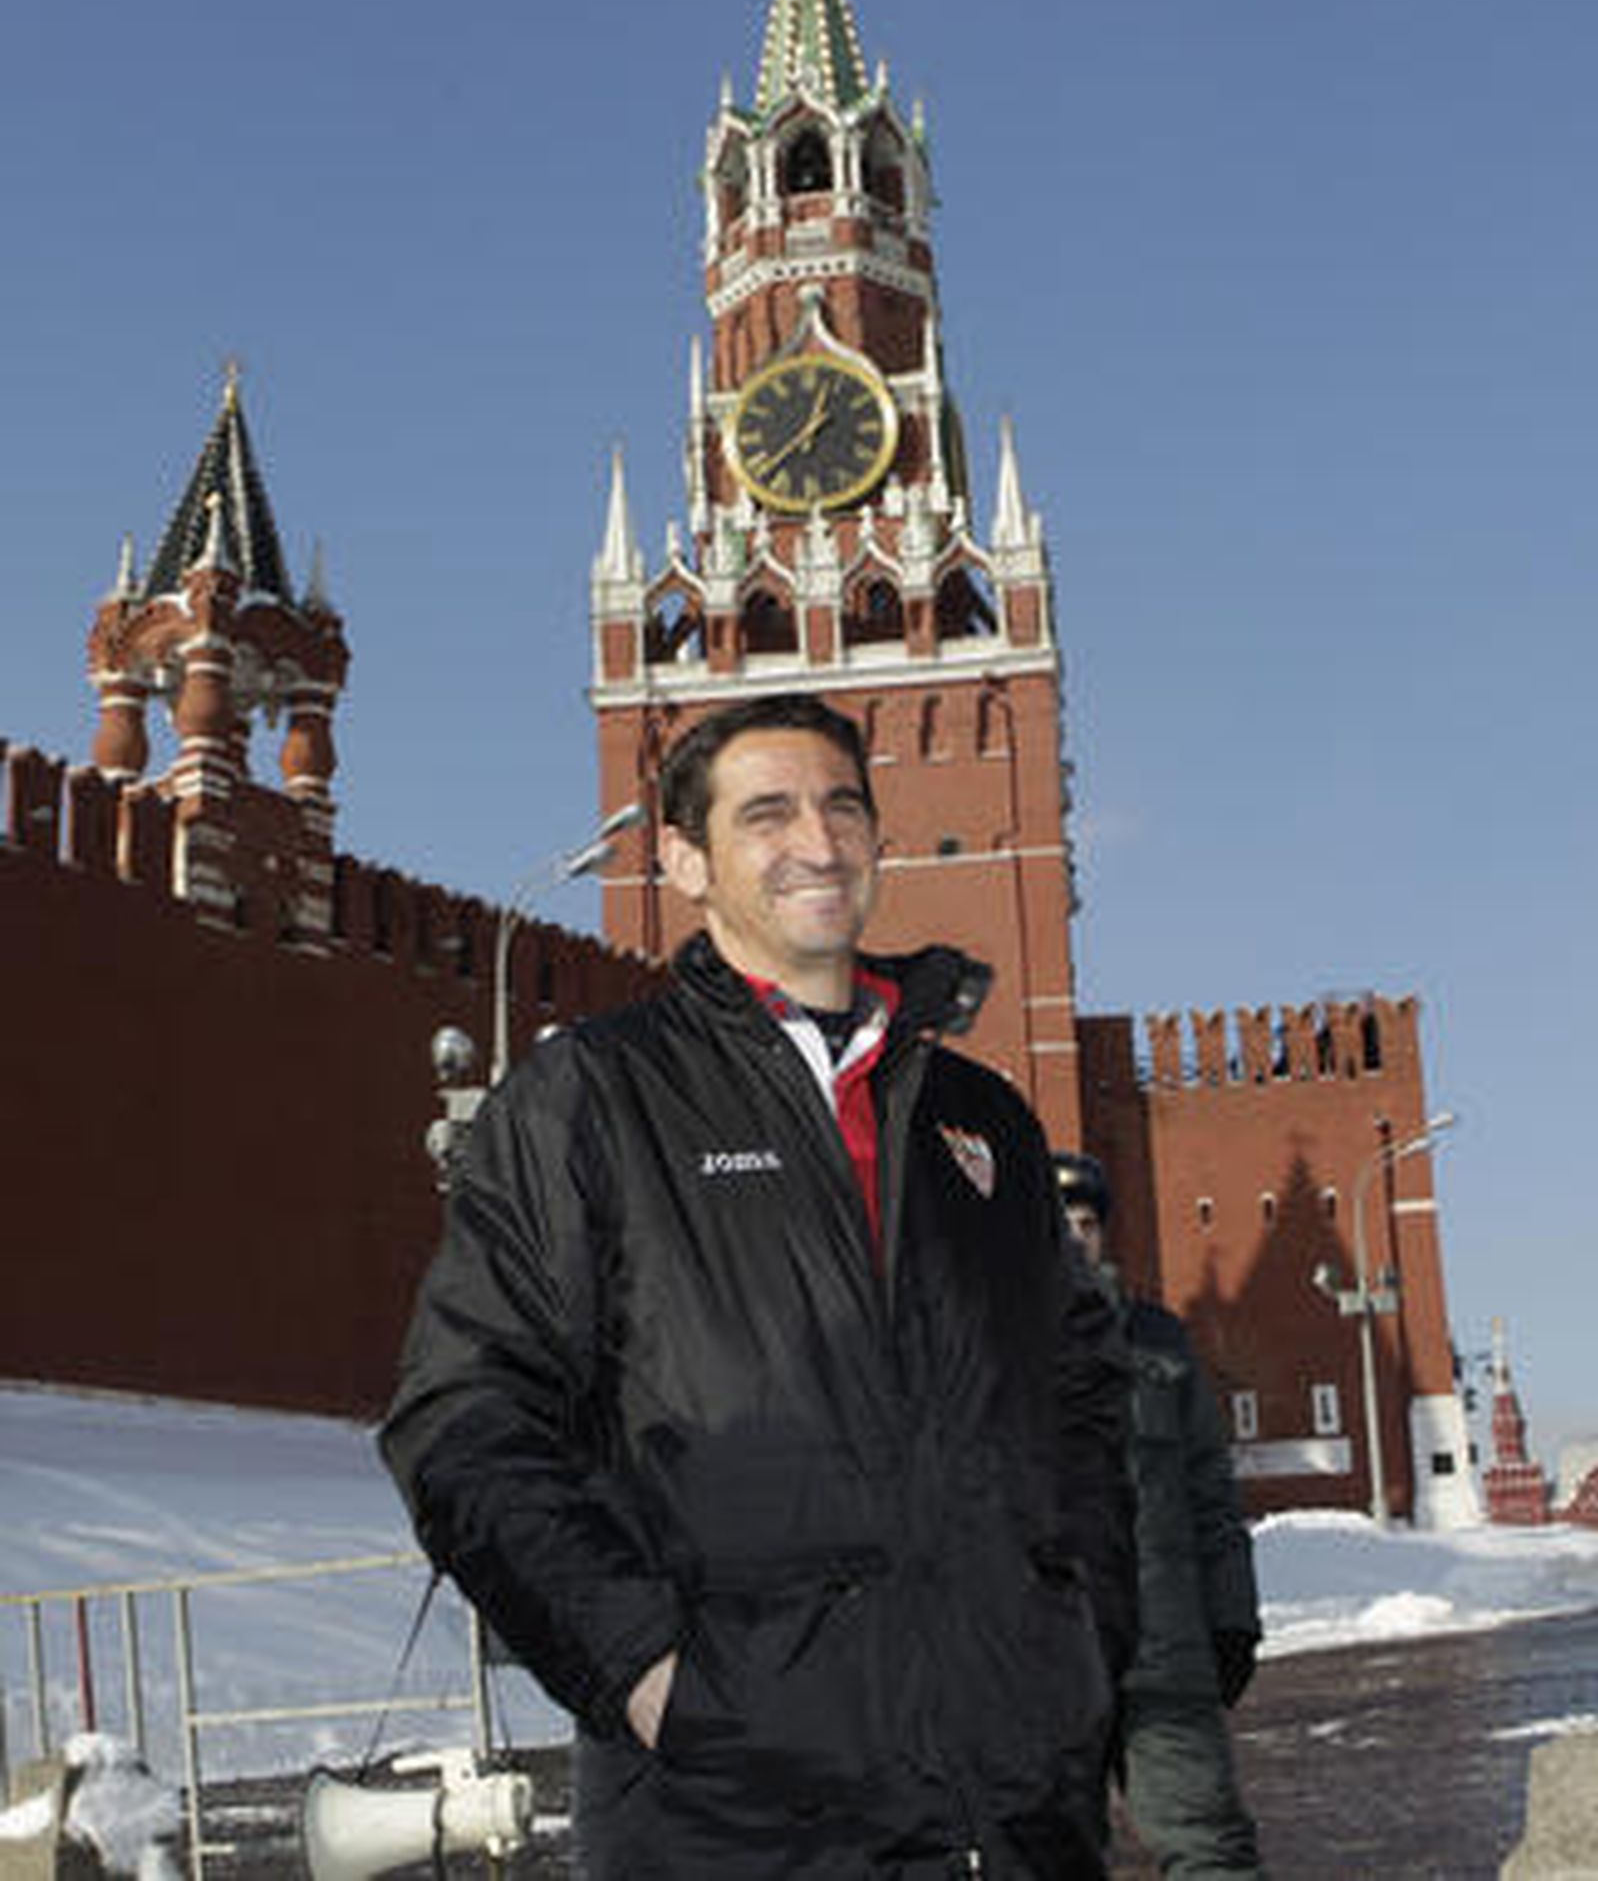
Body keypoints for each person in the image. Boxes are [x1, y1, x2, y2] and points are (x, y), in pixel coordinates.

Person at [382, 692, 1136, 1879]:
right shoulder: (593, 1097)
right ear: (684, 858)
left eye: (843, 806)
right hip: (733, 1820)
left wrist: (1079, 1644)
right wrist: (647, 1676)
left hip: (1017, 1810)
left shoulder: (976, 1115)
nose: (818, 842)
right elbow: (461, 1420)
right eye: (767, 812)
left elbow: (1080, 1398)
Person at [1054, 1153, 1264, 1880]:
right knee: (1045, 1856)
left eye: (1085, 1224)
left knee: (1209, 1846)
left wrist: (1232, 1619)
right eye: (1058, 1225)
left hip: (1163, 1650)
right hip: (1047, 1662)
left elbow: (1211, 1492)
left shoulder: (1158, 1341)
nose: (1074, 1239)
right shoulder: (992, 1344)